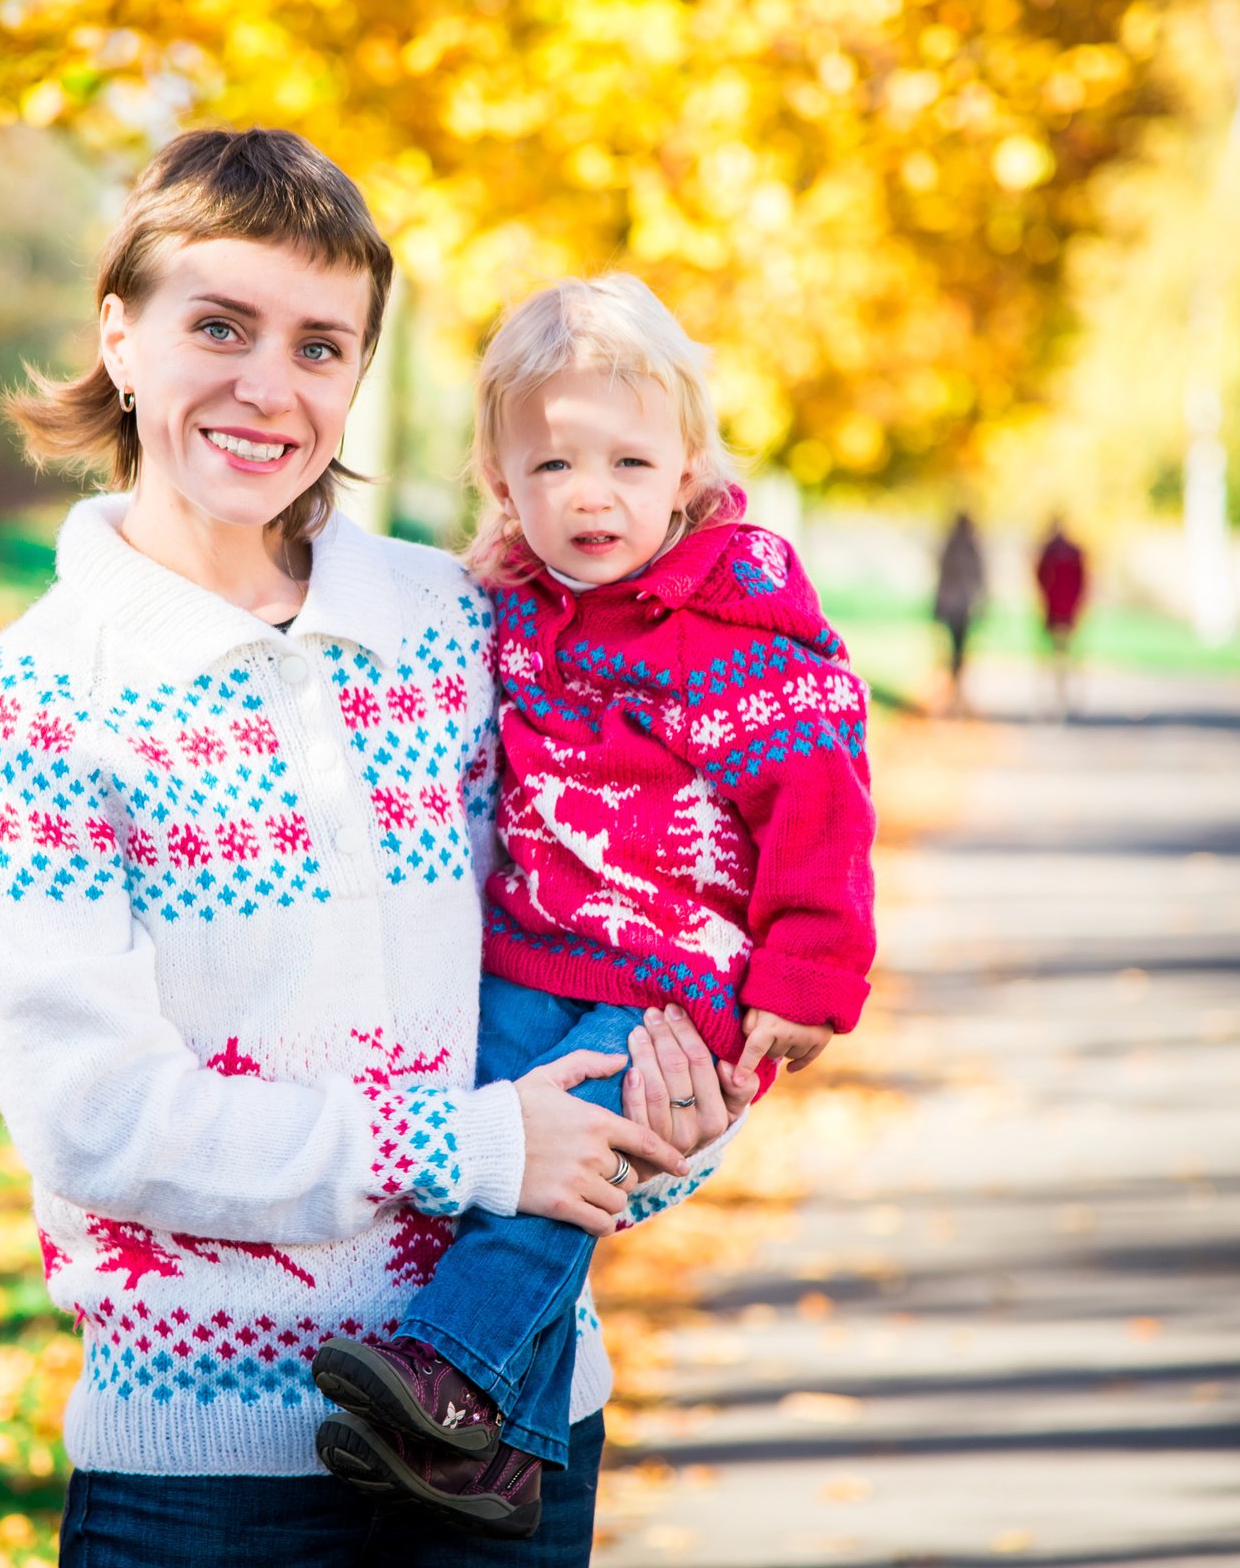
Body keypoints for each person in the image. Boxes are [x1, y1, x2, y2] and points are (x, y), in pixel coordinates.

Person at [0, 131, 726, 1567]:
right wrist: (476, 1147)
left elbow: (622, 917)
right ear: (121, 333)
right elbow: (96, 1117)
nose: (266, 387)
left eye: (319, 344)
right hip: (209, 1478)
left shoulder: (463, 627)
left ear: (356, 376)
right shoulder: (38, 707)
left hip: (513, 1438)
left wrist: (666, 1112)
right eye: (218, 325)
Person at [307, 275, 878, 1535]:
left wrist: (806, 981)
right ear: (503, 479)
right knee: (494, 1159)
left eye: (627, 459)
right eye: (550, 461)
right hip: (529, 951)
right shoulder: (506, 609)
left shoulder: (741, 634)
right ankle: (508, 1453)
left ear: (686, 468)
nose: (590, 492)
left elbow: (822, 808)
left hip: (676, 984)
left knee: (563, 1168)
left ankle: (449, 1376)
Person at [932, 510, 986, 716]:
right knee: (955, 650)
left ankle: (957, 692)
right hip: (959, 604)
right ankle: (954, 692)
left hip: (959, 605)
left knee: (957, 650)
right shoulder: (961, 547)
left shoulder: (962, 547)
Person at [1034, 518, 1089, 720]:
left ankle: (1060, 695)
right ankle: (1060, 695)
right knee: (1062, 654)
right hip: (1064, 607)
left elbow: (1040, 577)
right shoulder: (1069, 552)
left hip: (1058, 607)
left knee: (1058, 655)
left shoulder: (1050, 551)